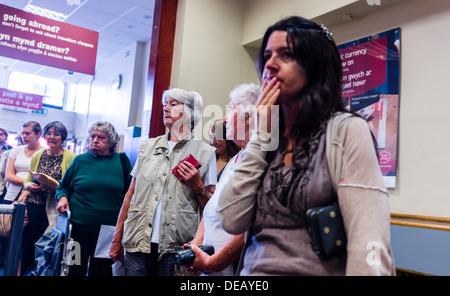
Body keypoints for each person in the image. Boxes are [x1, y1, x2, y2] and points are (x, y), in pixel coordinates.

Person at [217, 16, 395, 276]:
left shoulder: (346, 129)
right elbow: (231, 219)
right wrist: (260, 137)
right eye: (267, 55)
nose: (270, 64)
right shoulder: (267, 140)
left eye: (286, 54)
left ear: (315, 66)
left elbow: (369, 243)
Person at [109, 88, 217, 276]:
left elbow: (211, 211)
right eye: (165, 104)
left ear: (190, 112)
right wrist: (117, 239)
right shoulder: (148, 147)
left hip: (177, 249)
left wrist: (198, 187)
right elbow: (130, 195)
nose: (165, 109)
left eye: (173, 104)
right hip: (137, 244)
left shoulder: (206, 153)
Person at [186, 83, 260, 276]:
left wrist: (213, 263)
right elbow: (212, 210)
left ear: (249, 117)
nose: (225, 119)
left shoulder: (263, 161)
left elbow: (246, 230)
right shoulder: (237, 158)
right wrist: (195, 247)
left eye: (231, 110)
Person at [56, 121, 132, 276]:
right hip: (76, 231)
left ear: (111, 142)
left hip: (108, 233)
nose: (95, 140)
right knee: (73, 270)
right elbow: (63, 186)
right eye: (93, 136)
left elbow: (131, 194)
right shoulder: (80, 161)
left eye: (101, 137)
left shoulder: (122, 162)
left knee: (102, 272)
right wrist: (62, 198)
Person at [19, 121, 76, 275]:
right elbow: (28, 180)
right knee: (28, 246)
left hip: (55, 209)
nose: (52, 137)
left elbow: (71, 184)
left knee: (48, 248)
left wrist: (54, 187)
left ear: (63, 137)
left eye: (56, 134)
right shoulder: (39, 155)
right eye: (49, 133)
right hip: (34, 205)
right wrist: (30, 186)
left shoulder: (71, 157)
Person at [4, 121, 43, 205]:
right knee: (5, 217)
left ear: (38, 134)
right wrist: (29, 183)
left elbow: (39, 181)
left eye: (27, 134)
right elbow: (9, 176)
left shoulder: (44, 152)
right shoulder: (16, 150)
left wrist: (28, 186)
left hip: (32, 196)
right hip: (11, 194)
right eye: (22, 133)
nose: (24, 136)